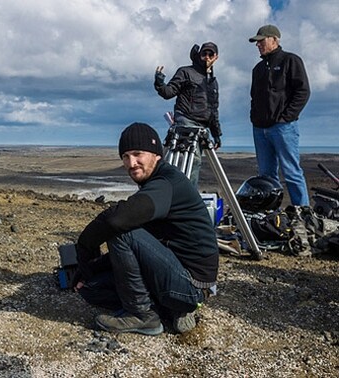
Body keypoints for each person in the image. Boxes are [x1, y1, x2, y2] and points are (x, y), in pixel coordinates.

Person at [74, 122, 219, 335]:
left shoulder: (166, 183)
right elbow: (144, 245)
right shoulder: (154, 184)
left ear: (156, 155)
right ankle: (168, 308)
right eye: (125, 157)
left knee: (121, 231)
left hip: (192, 285)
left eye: (137, 154)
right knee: (90, 289)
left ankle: (143, 315)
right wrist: (92, 268)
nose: (131, 163)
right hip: (171, 268)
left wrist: (84, 247)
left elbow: (117, 221)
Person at [249, 25, 310, 207]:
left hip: (283, 128)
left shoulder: (290, 60)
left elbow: (303, 91)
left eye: (262, 40)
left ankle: (303, 213)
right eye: (257, 42)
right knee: (266, 176)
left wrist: (287, 117)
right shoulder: (257, 69)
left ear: (274, 39)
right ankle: (270, 217)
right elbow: (254, 96)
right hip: (260, 129)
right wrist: (254, 117)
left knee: (291, 172)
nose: (258, 44)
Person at [154, 42, 222, 188]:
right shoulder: (186, 72)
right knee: (193, 161)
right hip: (186, 122)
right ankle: (179, 196)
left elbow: (213, 110)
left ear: (216, 57)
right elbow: (169, 92)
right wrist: (160, 83)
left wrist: (216, 134)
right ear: (199, 55)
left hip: (202, 127)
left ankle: (186, 197)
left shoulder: (212, 82)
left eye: (211, 54)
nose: (207, 57)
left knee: (195, 163)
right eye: (204, 54)